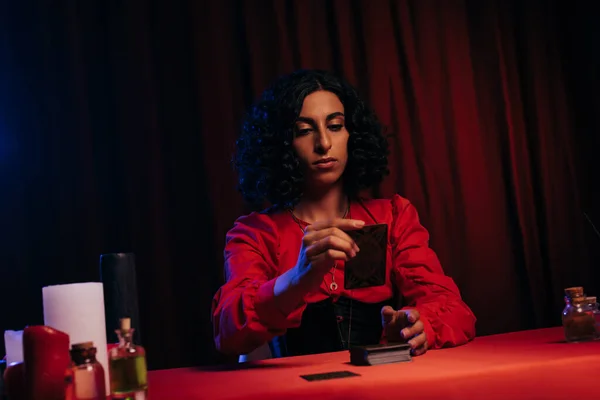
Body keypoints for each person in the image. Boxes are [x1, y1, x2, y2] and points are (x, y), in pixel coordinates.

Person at [211, 69, 476, 359]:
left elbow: (453, 310)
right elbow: (228, 332)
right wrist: (298, 279)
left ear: (353, 134)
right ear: (281, 145)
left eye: (335, 126)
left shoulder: (393, 216)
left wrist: (418, 325)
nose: (324, 143)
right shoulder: (255, 233)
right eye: (304, 130)